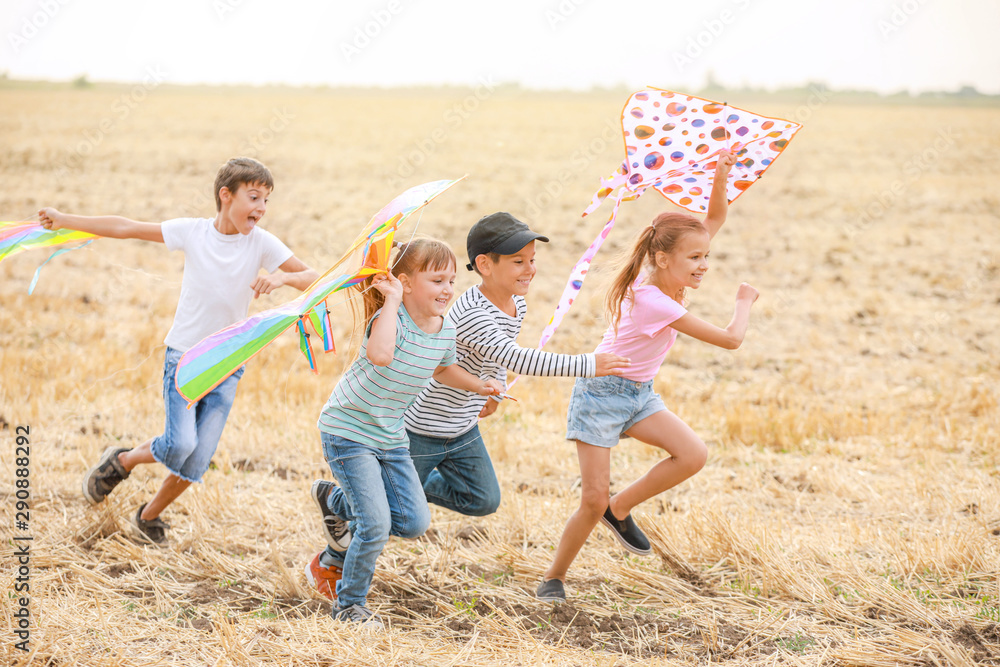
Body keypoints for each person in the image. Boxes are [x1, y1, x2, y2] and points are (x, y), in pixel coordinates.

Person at [38, 157, 319, 546]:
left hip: (228, 364)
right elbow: (126, 227)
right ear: (226, 195)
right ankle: (123, 460)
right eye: (254, 197)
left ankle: (147, 516)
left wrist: (282, 276)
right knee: (180, 445)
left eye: (267, 200)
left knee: (196, 462)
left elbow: (314, 277)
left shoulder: (262, 243)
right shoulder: (194, 233)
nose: (261, 208)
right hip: (185, 357)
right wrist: (65, 218)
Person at [535, 153, 757, 603]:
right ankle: (553, 577)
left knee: (692, 454)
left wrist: (719, 177)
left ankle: (621, 509)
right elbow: (732, 340)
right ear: (662, 257)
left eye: (706, 255)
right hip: (601, 394)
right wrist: (745, 302)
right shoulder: (655, 299)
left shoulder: (657, 267)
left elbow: (713, 218)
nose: (703, 264)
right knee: (591, 500)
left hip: (638, 394)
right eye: (695, 257)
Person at [304, 238, 504, 628]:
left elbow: (442, 369)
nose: (447, 289)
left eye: (450, 280)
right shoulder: (389, 321)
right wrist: (390, 302)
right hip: (349, 431)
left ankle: (334, 499)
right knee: (375, 524)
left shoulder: (445, 330)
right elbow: (381, 355)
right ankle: (349, 606)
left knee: (413, 522)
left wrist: (479, 385)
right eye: (436, 280)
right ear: (405, 283)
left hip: (391, 437)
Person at [402, 212, 631, 517]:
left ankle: (408, 488)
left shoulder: (515, 303)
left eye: (532, 260)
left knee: (482, 500)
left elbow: (497, 357)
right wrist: (588, 363)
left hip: (463, 426)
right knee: (394, 503)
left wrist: (495, 393)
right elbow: (517, 358)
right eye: (518, 262)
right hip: (425, 428)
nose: (530, 269)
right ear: (485, 265)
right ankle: (343, 500)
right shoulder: (472, 314)